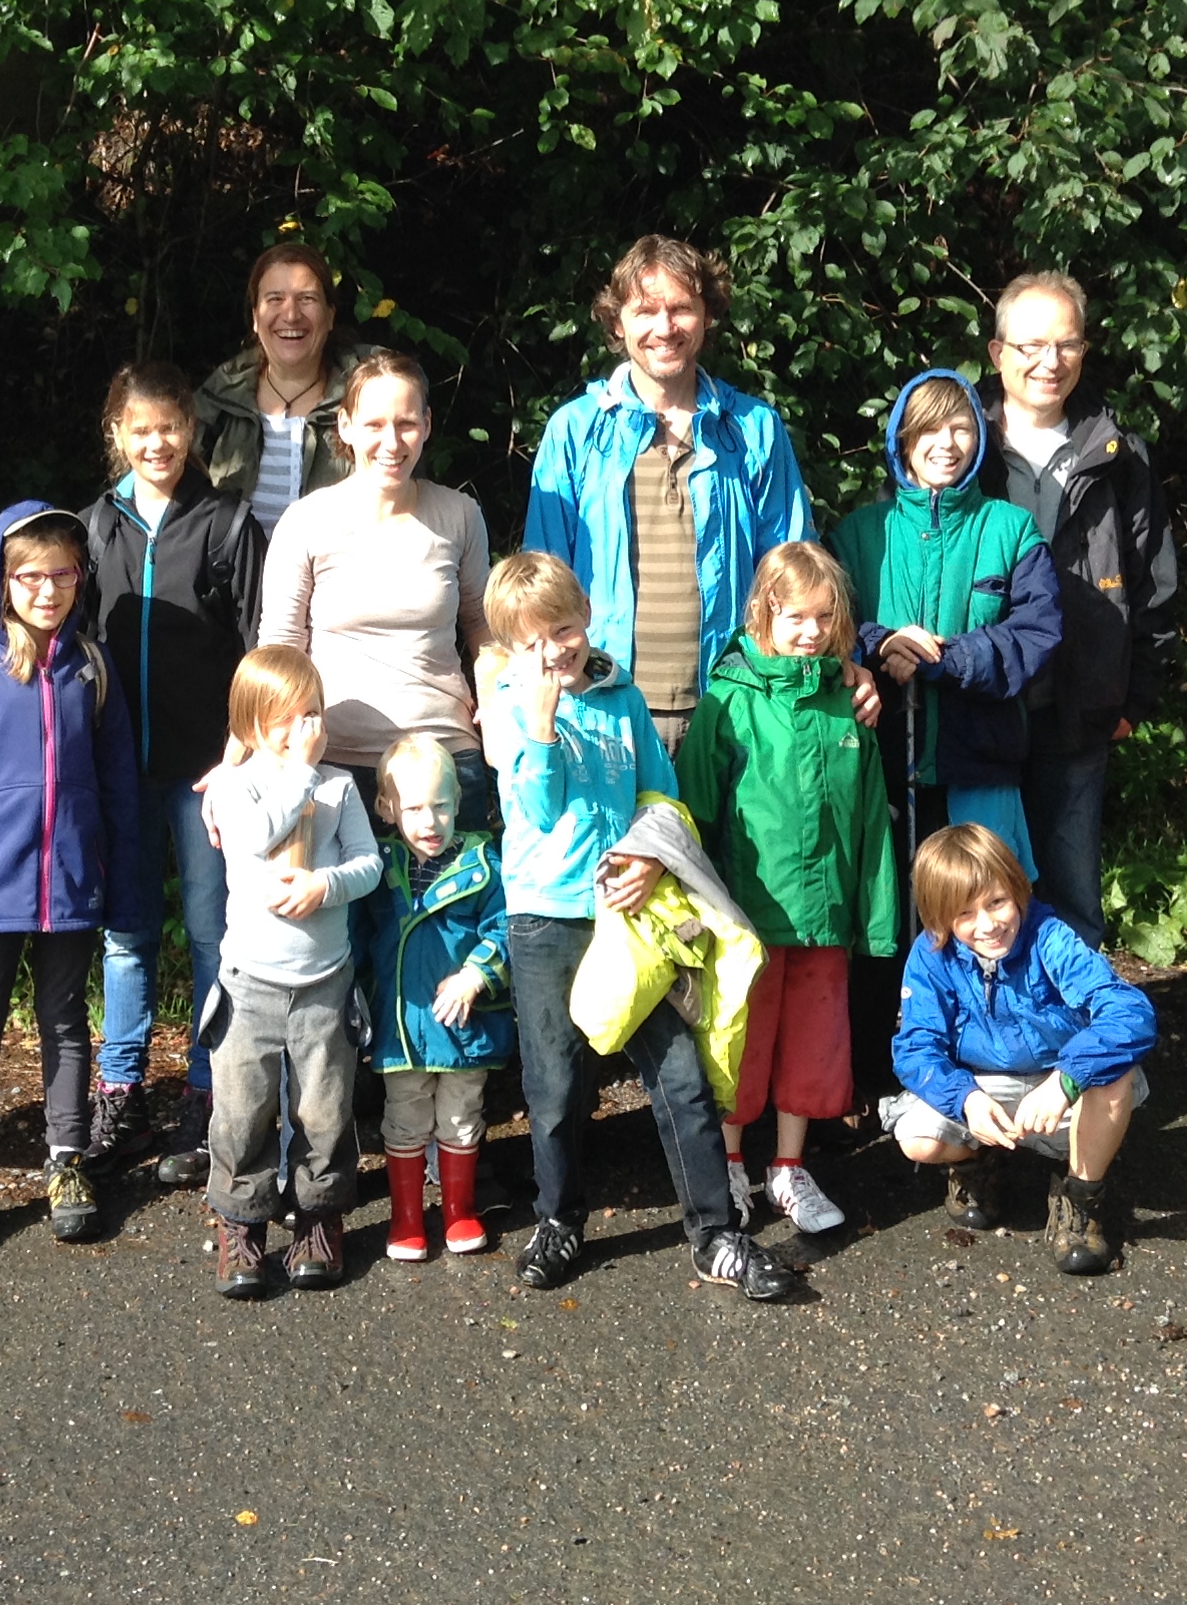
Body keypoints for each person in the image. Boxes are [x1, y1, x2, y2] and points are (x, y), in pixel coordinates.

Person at [481, 549, 795, 1299]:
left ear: (586, 617)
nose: (553, 651)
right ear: (512, 648)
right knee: (556, 1086)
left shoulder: (622, 697)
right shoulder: (509, 701)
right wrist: (543, 723)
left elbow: (662, 795)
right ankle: (558, 1219)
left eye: (563, 629)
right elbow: (538, 810)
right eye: (532, 641)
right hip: (546, 915)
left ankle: (715, 1234)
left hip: (629, 917)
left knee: (680, 1073)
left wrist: (652, 859)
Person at [0, 503, 143, 1260]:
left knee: (65, 1021)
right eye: (30, 576)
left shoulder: (91, 667)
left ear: (81, 577)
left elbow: (121, 792)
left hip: (71, 883)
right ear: (2, 580)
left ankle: (67, 1162)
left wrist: (125, 889)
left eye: (63, 574)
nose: (48, 589)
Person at [828, 368, 1062, 1103]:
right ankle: (874, 1080)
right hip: (879, 767)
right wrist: (881, 643)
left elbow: (1036, 635)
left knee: (984, 922)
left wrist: (946, 656)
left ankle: (988, 1081)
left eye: (961, 428)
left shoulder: (1009, 529)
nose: (947, 443)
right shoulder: (860, 534)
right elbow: (829, 625)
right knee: (884, 926)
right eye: (929, 429)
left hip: (978, 767)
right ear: (902, 441)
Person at [675, 542, 900, 1236]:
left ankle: (789, 1168)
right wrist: (698, 914)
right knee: (739, 1044)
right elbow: (695, 814)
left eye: (826, 618)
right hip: (747, 918)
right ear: (763, 611)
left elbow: (871, 820)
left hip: (824, 915)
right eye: (797, 616)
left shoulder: (849, 706)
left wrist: (878, 919)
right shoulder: (727, 700)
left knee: (813, 1043)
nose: (812, 632)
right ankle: (731, 1164)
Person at [523, 236, 821, 754]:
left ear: (708, 316)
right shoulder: (574, 430)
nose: (664, 328)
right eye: (645, 311)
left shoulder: (753, 428)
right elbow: (540, 587)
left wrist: (829, 671)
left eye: (682, 308)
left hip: (735, 705)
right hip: (603, 706)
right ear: (617, 323)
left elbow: (797, 573)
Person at [80, 362, 263, 1184]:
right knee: (126, 935)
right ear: (117, 434)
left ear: (193, 429)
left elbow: (260, 647)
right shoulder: (93, 528)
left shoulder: (227, 522)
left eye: (172, 428)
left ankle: (207, 1086)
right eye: (142, 430)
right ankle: (120, 1090)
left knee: (211, 931)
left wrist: (239, 751)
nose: (158, 444)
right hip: (121, 772)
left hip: (206, 771)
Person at [977, 272, 1180, 948]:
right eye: (1031, 345)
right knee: (976, 892)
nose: (1050, 361)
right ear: (997, 353)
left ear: (1084, 352)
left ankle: (1075, 1018)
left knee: (1070, 895)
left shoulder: (1119, 455)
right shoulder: (960, 446)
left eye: (1066, 344)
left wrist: (1134, 699)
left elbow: (1155, 586)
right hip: (980, 708)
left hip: (1080, 709)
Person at [881, 824, 1155, 1277]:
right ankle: (976, 1165)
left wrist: (1067, 1079)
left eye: (996, 902)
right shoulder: (930, 955)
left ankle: (1080, 1198)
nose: (987, 925)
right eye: (965, 913)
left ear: (1017, 889)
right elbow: (916, 1048)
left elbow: (1129, 1011)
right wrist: (966, 1099)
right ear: (940, 918)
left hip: (1058, 1081)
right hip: (984, 1087)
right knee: (917, 1139)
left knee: (1114, 1074)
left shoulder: (1050, 937)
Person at [200, 647, 384, 1296]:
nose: (302, 728)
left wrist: (325, 886)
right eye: (284, 717)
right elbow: (253, 840)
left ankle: (318, 1218)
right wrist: (301, 772)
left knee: (325, 1110)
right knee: (241, 1110)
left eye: (311, 713)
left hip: (324, 981)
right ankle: (242, 1224)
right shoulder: (235, 786)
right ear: (249, 722)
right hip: (249, 982)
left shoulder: (338, 786)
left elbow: (368, 863)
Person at [259, 349, 496, 834]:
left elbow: (483, 627)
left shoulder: (460, 515)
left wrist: (495, 710)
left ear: (427, 426)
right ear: (344, 426)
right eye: (374, 425)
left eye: (406, 424)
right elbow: (280, 647)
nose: (392, 442)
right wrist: (256, 748)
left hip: (445, 762)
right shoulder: (305, 521)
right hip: (333, 765)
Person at [352, 736, 513, 1260]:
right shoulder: (376, 868)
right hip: (401, 1024)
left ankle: (459, 1211)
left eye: (441, 806)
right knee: (404, 1118)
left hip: (465, 1025)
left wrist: (476, 975)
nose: (430, 821)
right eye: (415, 808)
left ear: (458, 802)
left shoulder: (483, 862)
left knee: (463, 1116)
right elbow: (356, 940)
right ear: (386, 808)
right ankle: (406, 1217)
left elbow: (508, 928)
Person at [197, 241, 391, 535]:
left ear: (330, 315)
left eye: (307, 299)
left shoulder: (373, 398)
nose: (291, 315)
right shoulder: (218, 399)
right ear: (255, 317)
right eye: (275, 299)